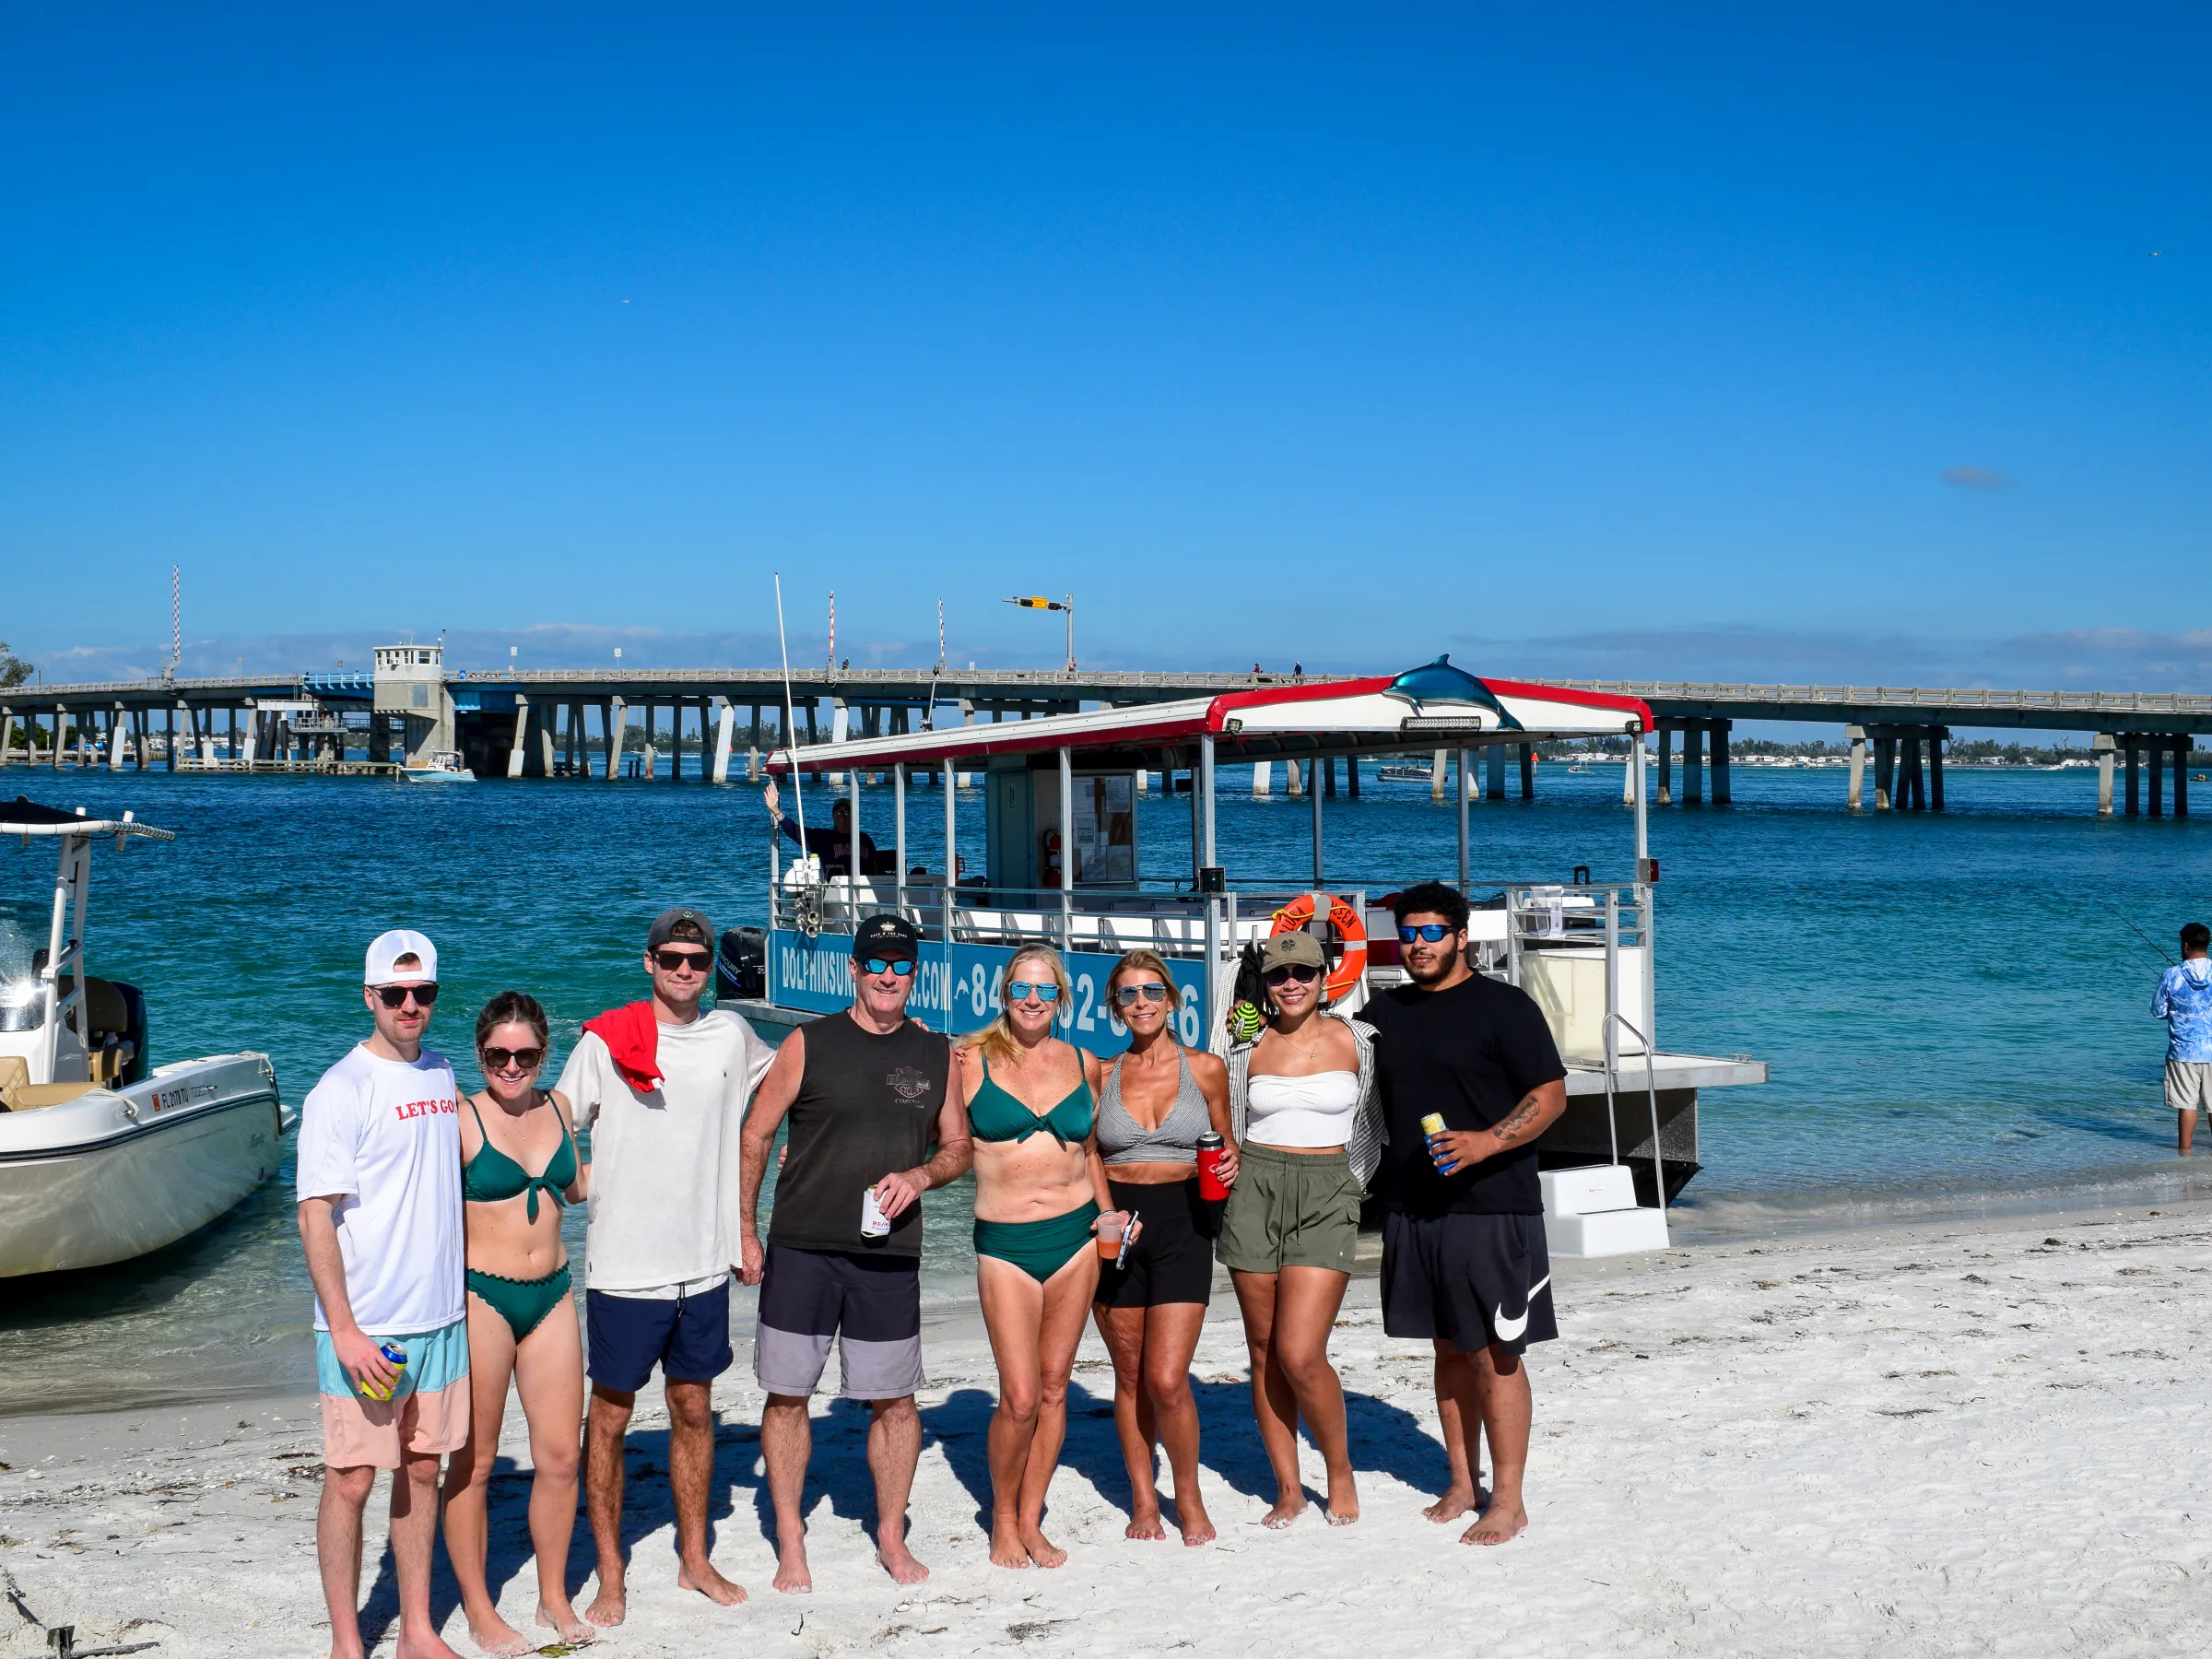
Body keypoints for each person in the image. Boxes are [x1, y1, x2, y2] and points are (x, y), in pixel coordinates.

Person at [555, 907, 778, 1622]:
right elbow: (555, 1125)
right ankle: (611, 1574)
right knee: (611, 1419)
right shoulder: (606, 1041)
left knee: (693, 1409)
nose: (686, 969)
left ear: (713, 967)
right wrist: (573, 1184)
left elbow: (795, 1085)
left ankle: (694, 1558)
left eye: (698, 959)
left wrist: (924, 1048)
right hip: (625, 1267)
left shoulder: (732, 1036)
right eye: (672, 957)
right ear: (647, 962)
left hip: (705, 1264)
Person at [739, 912, 972, 1593]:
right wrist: (746, 1233)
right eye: (877, 963)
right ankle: (790, 1541)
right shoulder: (808, 1043)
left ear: (914, 974)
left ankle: (892, 1539)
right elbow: (757, 1135)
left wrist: (921, 1176)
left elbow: (958, 1145)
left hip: (889, 1256)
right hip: (803, 1248)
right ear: (854, 969)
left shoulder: (936, 1054)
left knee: (895, 1402)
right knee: (788, 1398)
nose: (889, 976)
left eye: (902, 965)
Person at [1365, 879, 1568, 1547]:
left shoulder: (1504, 1008)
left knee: (1497, 1354)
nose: (1417, 946)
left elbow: (1551, 1095)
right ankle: (1462, 1480)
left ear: (1460, 937)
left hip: (1493, 1206)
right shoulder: (1383, 1011)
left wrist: (1486, 1142)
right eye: (1407, 934)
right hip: (1413, 1205)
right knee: (1448, 1350)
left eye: (1430, 933)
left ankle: (1507, 1499)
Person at [296, 929, 467, 1659]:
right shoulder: (341, 1088)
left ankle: (418, 1631)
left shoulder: (441, 1073)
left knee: (424, 1469)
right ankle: (345, 1640)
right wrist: (344, 1329)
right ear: (369, 996)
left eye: (421, 993)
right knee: (354, 1479)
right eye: (394, 994)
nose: (408, 1006)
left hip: (442, 1320)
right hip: (367, 1327)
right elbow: (314, 1214)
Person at [955, 946, 1123, 1569]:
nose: (1032, 1000)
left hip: (1078, 1240)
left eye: (1044, 990)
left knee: (1055, 1389)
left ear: (1061, 998)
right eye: (1022, 989)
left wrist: (1108, 1216)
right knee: (1020, 1396)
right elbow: (926, 1132)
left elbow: (1093, 1152)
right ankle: (1001, 1516)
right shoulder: (969, 1060)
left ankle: (1031, 1517)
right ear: (1004, 994)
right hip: (1004, 1246)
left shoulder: (1084, 1062)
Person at [441, 992, 592, 1654]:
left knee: (560, 1457)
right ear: (479, 1055)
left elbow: (578, 1187)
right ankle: (478, 1607)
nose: (511, 1065)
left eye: (524, 1053)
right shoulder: (461, 1119)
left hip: (554, 1293)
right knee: (472, 1464)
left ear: (543, 1054)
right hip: (483, 1298)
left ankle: (554, 1596)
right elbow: (419, 1211)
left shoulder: (559, 1107)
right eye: (498, 1054)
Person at [1218, 930, 1381, 1529]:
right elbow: (1219, 1107)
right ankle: (1287, 1487)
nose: (1291, 985)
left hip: (1328, 1190)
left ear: (1325, 979)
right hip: (1255, 1189)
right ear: (1264, 982)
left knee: (1300, 1352)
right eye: (1279, 975)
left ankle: (1338, 1470)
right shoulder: (1244, 1041)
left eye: (1304, 974)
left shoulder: (1360, 1041)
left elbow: (1386, 1115)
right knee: (1263, 1353)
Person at [1090, 948, 1232, 1546]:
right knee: (1129, 1377)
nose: (1141, 1003)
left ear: (1172, 1000)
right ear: (1115, 1007)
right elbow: (1083, 1152)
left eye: (1152, 991)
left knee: (1168, 1379)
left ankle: (1190, 1498)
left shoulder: (1206, 1069)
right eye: (1129, 994)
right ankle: (1144, 1501)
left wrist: (1232, 1164)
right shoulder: (1098, 1073)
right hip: (1116, 1228)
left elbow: (1229, 1144)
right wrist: (1102, 1216)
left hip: (1184, 1226)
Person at [2153, 922, 2212, 1153]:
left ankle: (2185, 1155)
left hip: (2183, 1052)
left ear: (2185, 945)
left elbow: (2158, 1011)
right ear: (2207, 944)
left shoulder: (2172, 975)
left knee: (2187, 1105)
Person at [761, 779, 877, 877]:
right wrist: (775, 810)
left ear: (853, 815)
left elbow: (876, 863)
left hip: (864, 889)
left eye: (846, 812)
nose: (842, 816)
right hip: (835, 892)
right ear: (833, 815)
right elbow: (795, 830)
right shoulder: (824, 838)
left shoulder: (864, 839)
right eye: (838, 812)